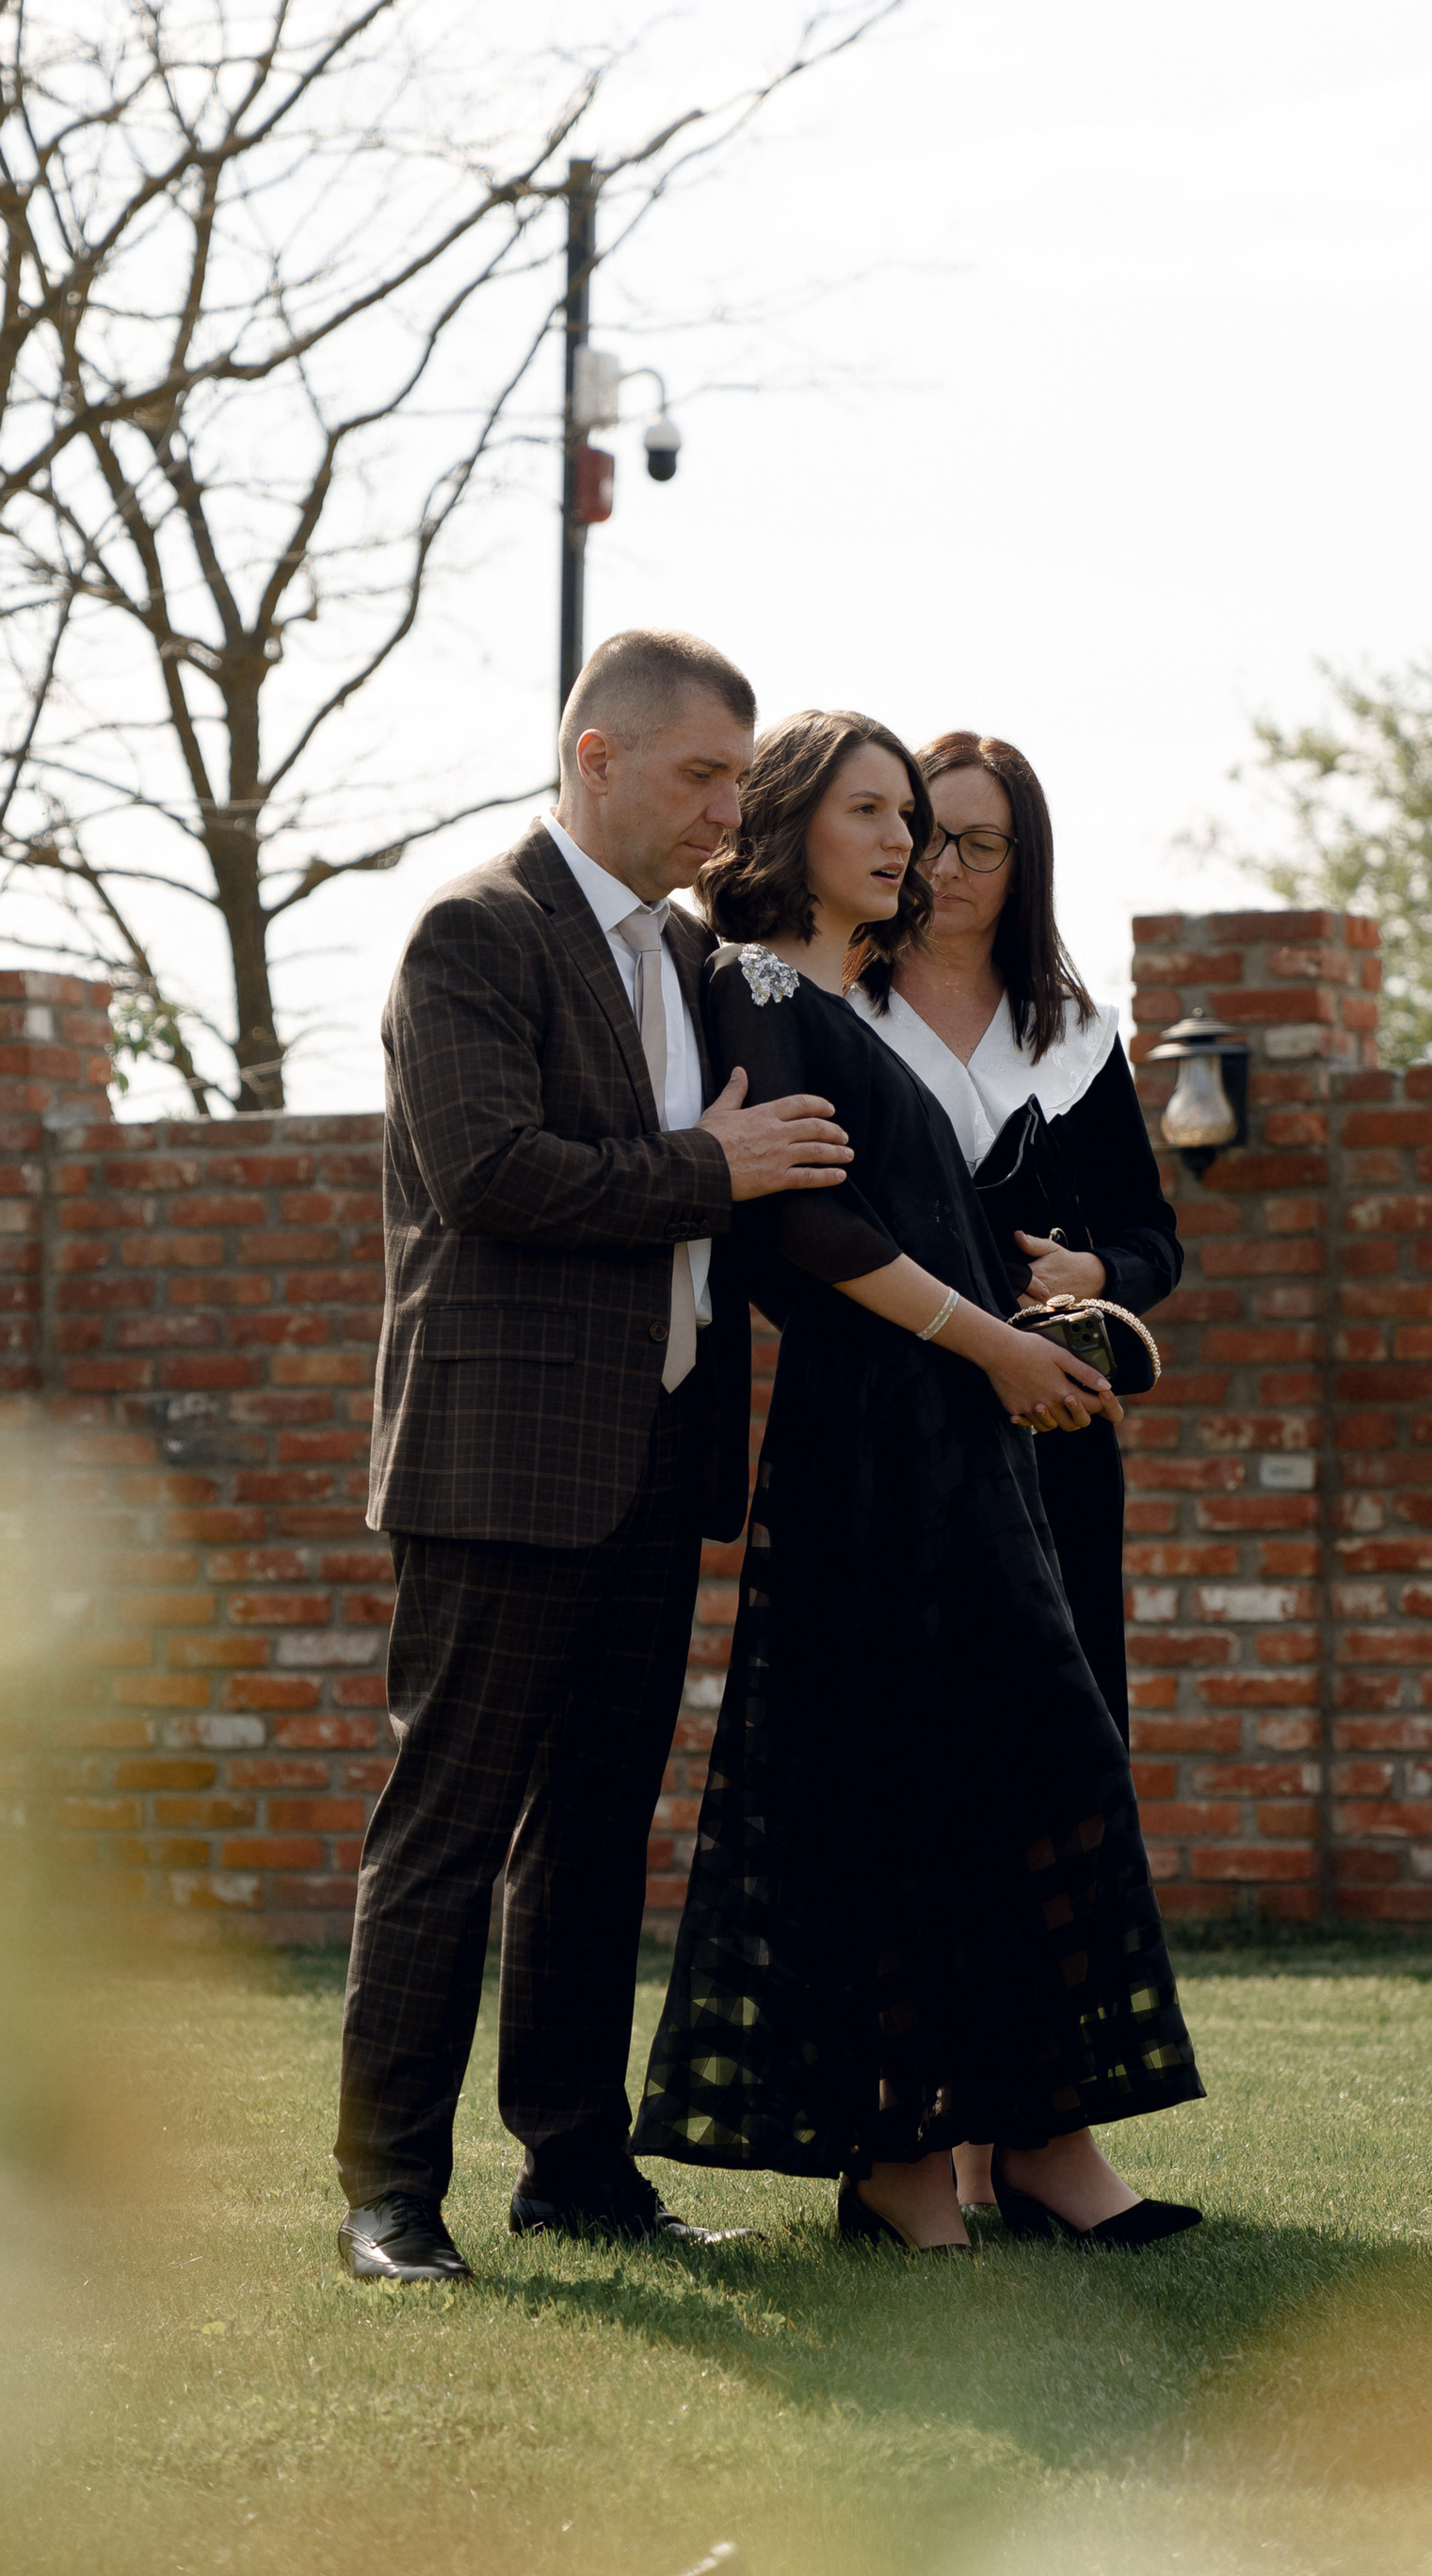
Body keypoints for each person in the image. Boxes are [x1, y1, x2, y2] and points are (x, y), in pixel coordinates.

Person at [634, 712, 1204, 2253]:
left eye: (926, 823)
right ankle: (896, 2164)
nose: (909, 847)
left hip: (970, 1440)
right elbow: (805, 1238)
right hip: (878, 1438)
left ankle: (1040, 2146)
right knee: (892, 1798)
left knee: (1030, 1776)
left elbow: (1120, 1228)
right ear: (795, 825)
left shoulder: (854, 1003)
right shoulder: (762, 991)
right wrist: (992, 1346)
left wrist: (1067, 1306)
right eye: (877, 814)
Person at [332, 629, 855, 2282]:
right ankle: (388, 2198)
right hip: (499, 1467)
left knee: (593, 1839)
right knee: (447, 1833)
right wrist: (711, 1167)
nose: (726, 814)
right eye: (702, 776)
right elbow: (492, 1173)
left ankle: (574, 2170)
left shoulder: (698, 962)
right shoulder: (474, 932)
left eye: (739, 783)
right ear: (597, 758)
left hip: (656, 1465)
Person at [850, 728, 1180, 1748]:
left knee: (1055, 1730)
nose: (945, 866)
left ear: (1023, 862)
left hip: (1052, 1427)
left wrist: (1098, 1269)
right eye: (928, 835)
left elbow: (1155, 1239)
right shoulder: (838, 1013)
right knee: (901, 1728)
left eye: (981, 845)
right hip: (891, 1418)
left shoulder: (1078, 1037)